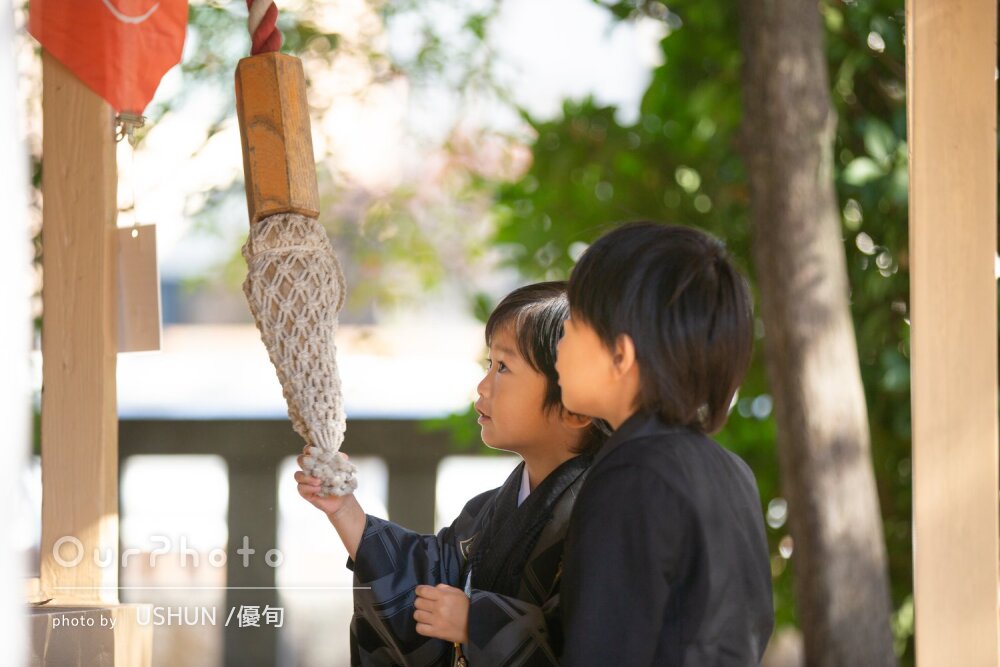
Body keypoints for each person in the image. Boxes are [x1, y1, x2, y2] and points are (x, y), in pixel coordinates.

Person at [295, 281, 607, 666]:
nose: (483, 385)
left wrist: (479, 624)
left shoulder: (602, 521)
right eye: (488, 364)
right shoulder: (489, 510)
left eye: (504, 368)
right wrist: (344, 510)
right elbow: (431, 579)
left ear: (576, 402)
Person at [554, 221, 774, 666]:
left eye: (573, 323)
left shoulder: (633, 475)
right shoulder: (731, 471)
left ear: (621, 355)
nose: (558, 344)